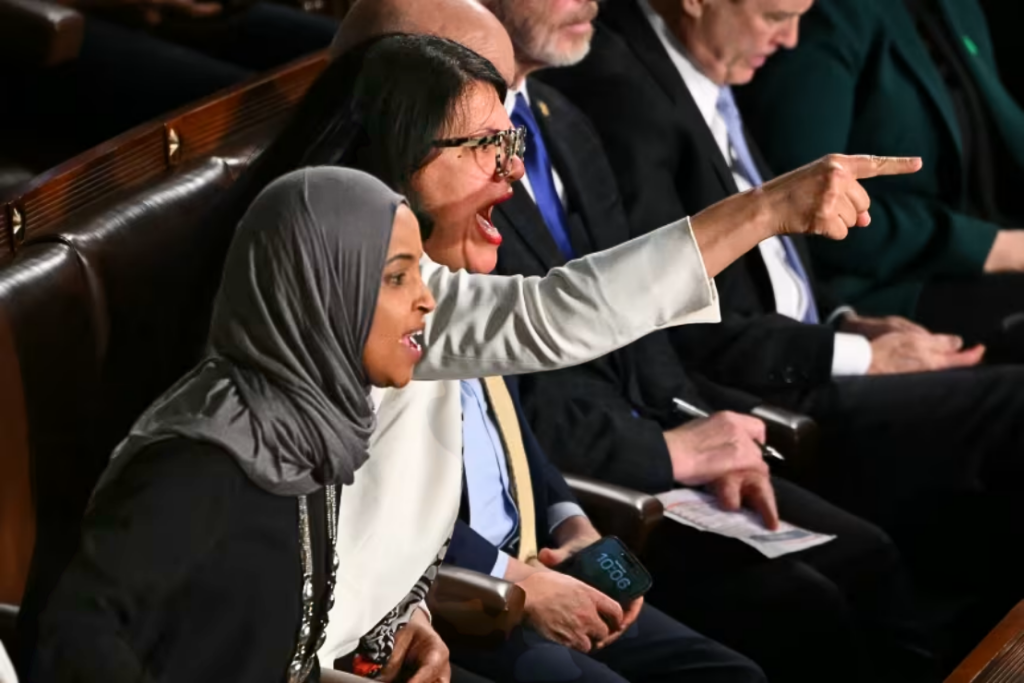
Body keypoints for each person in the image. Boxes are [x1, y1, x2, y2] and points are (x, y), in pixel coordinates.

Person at [471, 0, 943, 680]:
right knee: (803, 615)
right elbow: (512, 382)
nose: (591, 2)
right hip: (597, 491)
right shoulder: (456, 167)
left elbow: (642, 324)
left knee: (867, 554)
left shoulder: (555, 116)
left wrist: (700, 424)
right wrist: (662, 453)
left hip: (607, 484)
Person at [30, 166, 453, 683]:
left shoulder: (310, 432)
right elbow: (72, 635)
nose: (425, 298)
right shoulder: (201, 465)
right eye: (396, 277)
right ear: (318, 288)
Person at [737, 0, 1024, 354]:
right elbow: (806, 203)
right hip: (877, 286)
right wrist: (992, 247)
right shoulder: (824, 15)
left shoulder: (959, 9)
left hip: (965, 266)